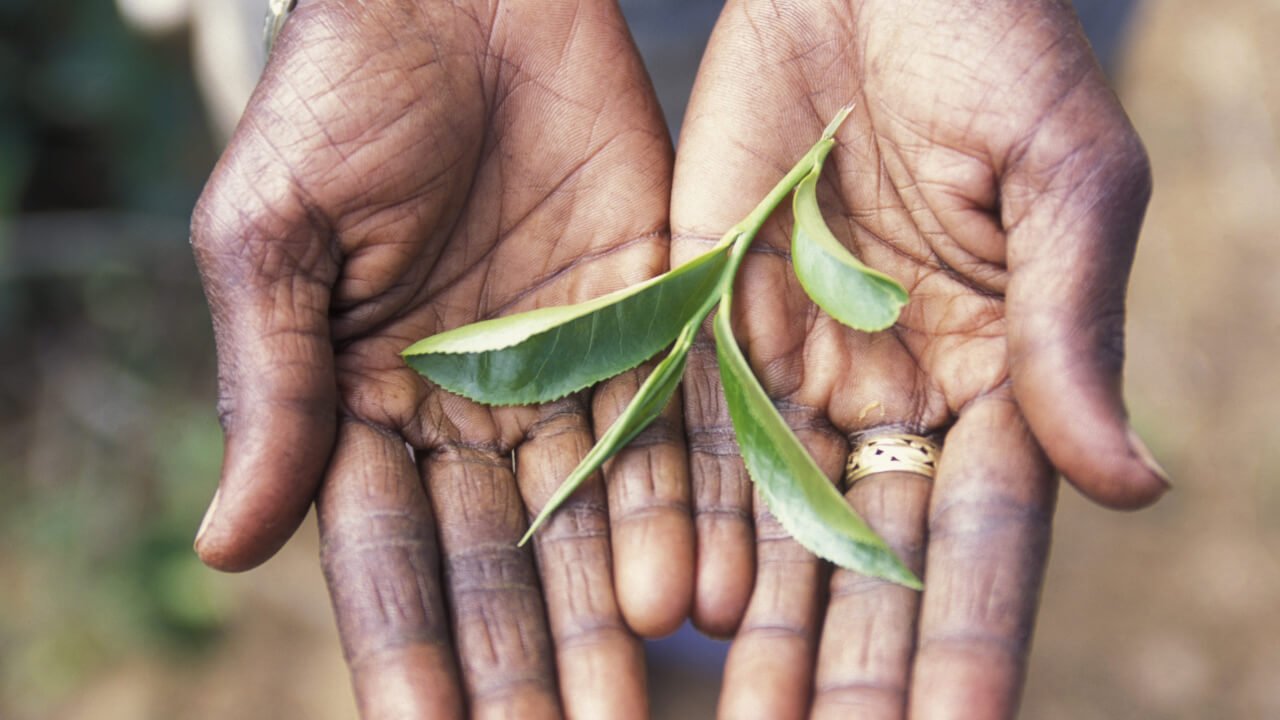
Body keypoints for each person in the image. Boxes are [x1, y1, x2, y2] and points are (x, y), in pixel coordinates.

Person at [188, 0, 1167, 716]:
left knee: (740, 507)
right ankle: (676, 641)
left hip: (905, 74)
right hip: (512, 102)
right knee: (634, 494)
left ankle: (698, 649)